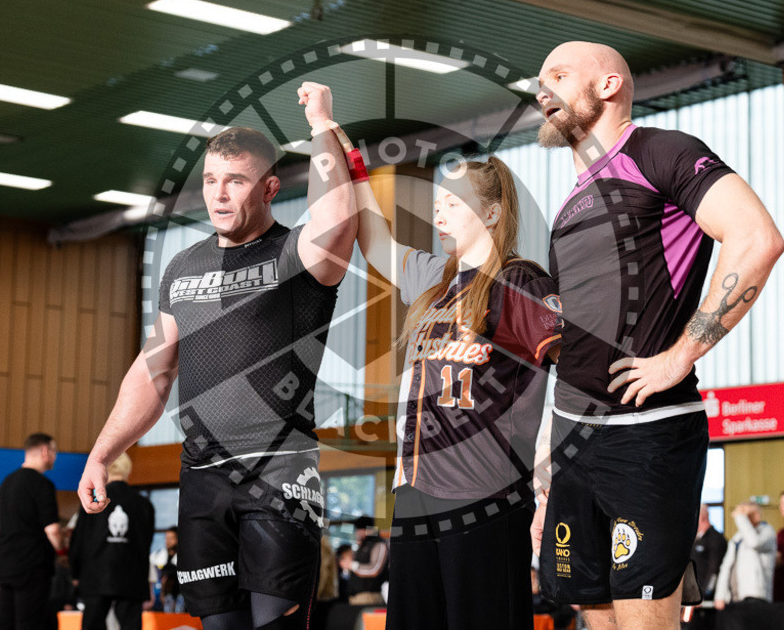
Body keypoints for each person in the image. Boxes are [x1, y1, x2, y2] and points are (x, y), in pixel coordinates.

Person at [78, 82, 355, 630]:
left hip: (278, 471)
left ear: (271, 187)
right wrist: (102, 452)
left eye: (235, 180)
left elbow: (340, 218)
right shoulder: (182, 268)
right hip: (201, 477)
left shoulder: (297, 255)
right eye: (210, 180)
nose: (219, 194)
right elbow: (153, 371)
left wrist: (323, 122)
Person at [529, 40, 784, 630]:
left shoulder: (661, 152)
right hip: (572, 441)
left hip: (647, 435)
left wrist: (679, 356)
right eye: (539, 82)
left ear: (609, 84)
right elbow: (574, 342)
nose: (543, 91)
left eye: (559, 75)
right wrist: (548, 466)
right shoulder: (569, 204)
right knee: (593, 615)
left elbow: (756, 239)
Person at [347, 131, 563, 629]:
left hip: (485, 494)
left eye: (454, 202)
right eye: (436, 203)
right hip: (415, 493)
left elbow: (574, 374)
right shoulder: (434, 280)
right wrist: (349, 160)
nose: (438, 214)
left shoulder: (520, 283)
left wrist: (549, 478)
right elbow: (375, 241)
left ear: (491, 213)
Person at [70, 453, 155, 630]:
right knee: (130, 625)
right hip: (131, 574)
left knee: (92, 623)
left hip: (96, 574)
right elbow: (146, 543)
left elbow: (79, 539)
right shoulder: (144, 504)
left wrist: (75, 572)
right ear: (128, 471)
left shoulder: (94, 501)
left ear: (106, 470)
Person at [0, 432, 63, 630]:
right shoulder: (42, 484)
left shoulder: (7, 482)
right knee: (31, 624)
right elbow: (52, 530)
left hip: (6, 565)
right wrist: (62, 550)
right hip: (32, 567)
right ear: (44, 451)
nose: (55, 457)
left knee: (6, 623)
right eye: (54, 451)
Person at [713, 502, 777, 609]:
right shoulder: (738, 537)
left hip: (756, 596)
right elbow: (726, 566)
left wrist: (741, 518)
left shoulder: (767, 531)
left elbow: (754, 542)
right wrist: (720, 595)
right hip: (734, 597)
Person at [346, 517, 388, 606]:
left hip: (369, 596)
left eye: (358, 529)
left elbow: (375, 569)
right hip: (357, 596)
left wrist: (353, 565)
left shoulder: (379, 544)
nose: (357, 533)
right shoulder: (362, 545)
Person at [691, 506, 727, 601]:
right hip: (695, 594)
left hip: (707, 599)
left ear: (701, 517)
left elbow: (714, 570)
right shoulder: (697, 539)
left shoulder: (716, 539)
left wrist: (705, 594)